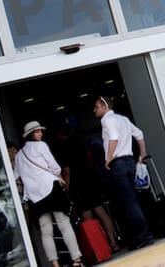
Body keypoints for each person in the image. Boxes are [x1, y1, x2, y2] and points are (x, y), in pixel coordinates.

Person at [15, 121, 83, 267]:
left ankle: (54, 263)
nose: (41, 133)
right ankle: (76, 260)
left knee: (46, 231)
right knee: (64, 224)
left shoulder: (19, 155)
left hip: (35, 196)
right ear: (31, 134)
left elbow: (16, 177)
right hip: (51, 189)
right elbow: (54, 167)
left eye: (40, 131)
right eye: (38, 131)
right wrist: (57, 176)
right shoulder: (41, 146)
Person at [92, 96, 155, 250]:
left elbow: (113, 138)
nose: (94, 110)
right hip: (130, 162)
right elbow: (139, 134)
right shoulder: (123, 119)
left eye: (96, 107)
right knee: (136, 200)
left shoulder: (107, 120)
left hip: (118, 164)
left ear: (105, 107)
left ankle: (142, 237)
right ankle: (143, 234)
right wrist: (142, 155)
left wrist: (108, 158)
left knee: (128, 202)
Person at [53, 119, 120, 253]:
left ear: (60, 135)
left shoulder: (64, 147)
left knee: (88, 219)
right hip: (91, 179)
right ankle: (114, 243)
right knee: (101, 212)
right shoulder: (82, 141)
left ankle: (100, 249)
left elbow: (67, 172)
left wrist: (66, 188)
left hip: (78, 185)